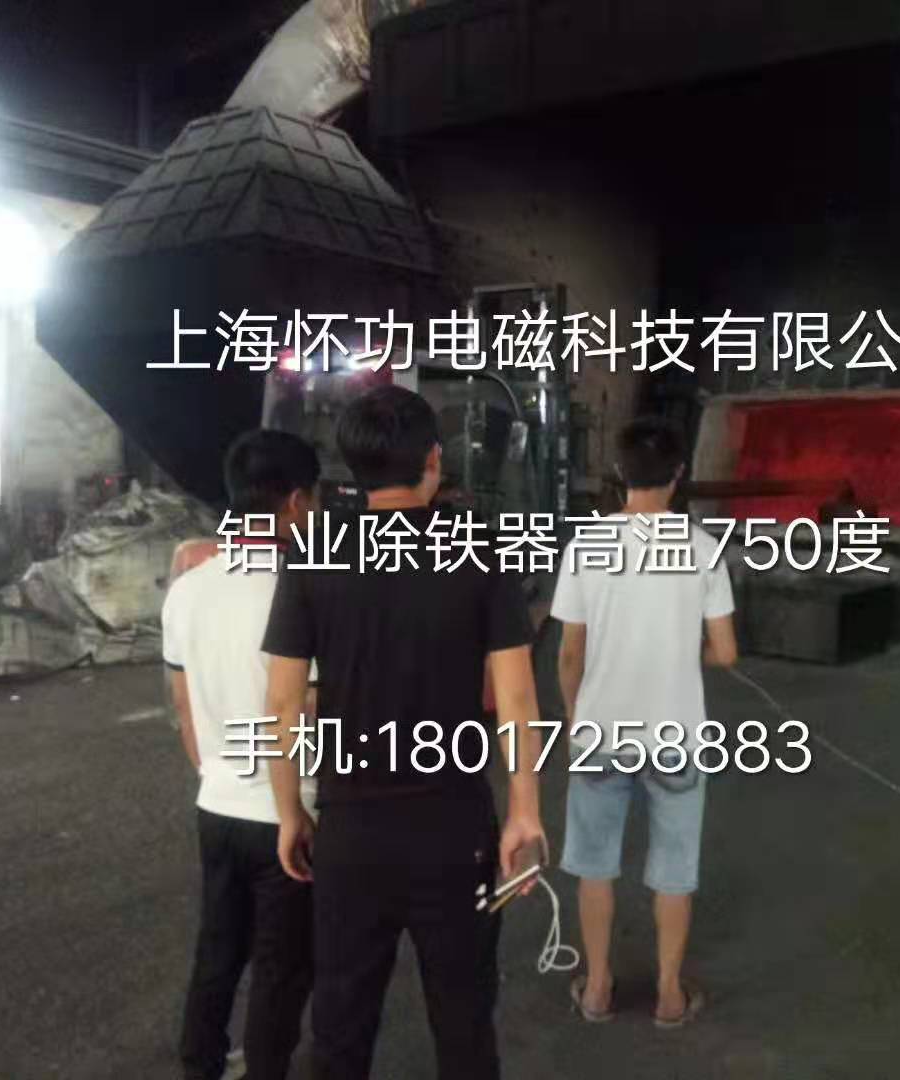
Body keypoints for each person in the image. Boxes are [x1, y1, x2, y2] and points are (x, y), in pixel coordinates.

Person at [262, 384, 545, 1080]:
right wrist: (525, 813)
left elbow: (284, 705)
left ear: (352, 466)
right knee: (464, 1019)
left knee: (340, 1024)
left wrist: (290, 811)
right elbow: (515, 698)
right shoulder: (478, 547)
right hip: (454, 828)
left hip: (351, 830)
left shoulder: (313, 550)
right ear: (434, 460)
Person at [552, 415, 738, 1028]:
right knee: (674, 871)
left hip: (601, 731)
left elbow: (570, 655)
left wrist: (577, 719)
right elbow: (727, 653)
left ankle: (597, 988)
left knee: (595, 864)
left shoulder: (586, 546)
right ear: (679, 474)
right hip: (677, 733)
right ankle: (669, 995)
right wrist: (682, 653)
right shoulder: (704, 550)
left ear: (618, 472)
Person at [162, 429, 322, 1080]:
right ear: (295, 503)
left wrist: (215, 774)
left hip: (217, 803)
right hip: (289, 811)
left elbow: (183, 705)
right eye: (313, 501)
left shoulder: (188, 589)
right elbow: (307, 708)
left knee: (219, 948)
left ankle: (199, 1063)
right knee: (282, 966)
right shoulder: (300, 589)